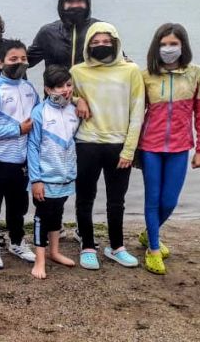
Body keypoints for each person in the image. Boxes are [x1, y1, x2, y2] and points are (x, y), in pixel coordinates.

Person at [137, 23, 200, 275]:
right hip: (150, 147)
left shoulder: (196, 74)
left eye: (173, 44)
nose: (168, 49)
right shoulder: (146, 75)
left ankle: (149, 233)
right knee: (152, 198)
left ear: (183, 45)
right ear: (156, 47)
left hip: (180, 147)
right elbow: (136, 113)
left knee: (169, 200)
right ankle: (153, 249)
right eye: (164, 44)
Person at [71, 22, 144, 270]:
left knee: (116, 200)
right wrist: (76, 98)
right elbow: (62, 95)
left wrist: (129, 149)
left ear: (115, 43)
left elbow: (137, 112)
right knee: (85, 198)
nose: (100, 46)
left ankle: (116, 247)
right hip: (87, 143)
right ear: (88, 45)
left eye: (105, 42)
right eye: (95, 42)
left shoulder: (131, 71)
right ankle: (88, 246)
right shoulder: (78, 71)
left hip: (118, 145)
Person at [0, 39, 39, 269]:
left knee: (18, 206)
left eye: (23, 59)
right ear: (1, 62)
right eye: (13, 59)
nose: (19, 63)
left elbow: (37, 120)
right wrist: (17, 129)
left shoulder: (30, 89)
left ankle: (16, 241)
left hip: (22, 161)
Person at [27, 65, 79, 279]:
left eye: (68, 85)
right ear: (48, 89)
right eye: (58, 86)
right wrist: (35, 179)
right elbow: (32, 147)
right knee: (42, 217)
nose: (65, 90)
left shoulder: (75, 110)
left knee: (58, 214)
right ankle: (40, 260)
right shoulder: (40, 112)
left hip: (66, 176)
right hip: (44, 178)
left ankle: (55, 252)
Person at [28, 0, 101, 69]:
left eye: (79, 0)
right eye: (70, 1)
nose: (75, 5)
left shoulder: (101, 29)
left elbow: (119, 62)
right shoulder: (47, 32)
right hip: (58, 82)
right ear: (62, 4)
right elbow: (24, 62)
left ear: (87, 3)